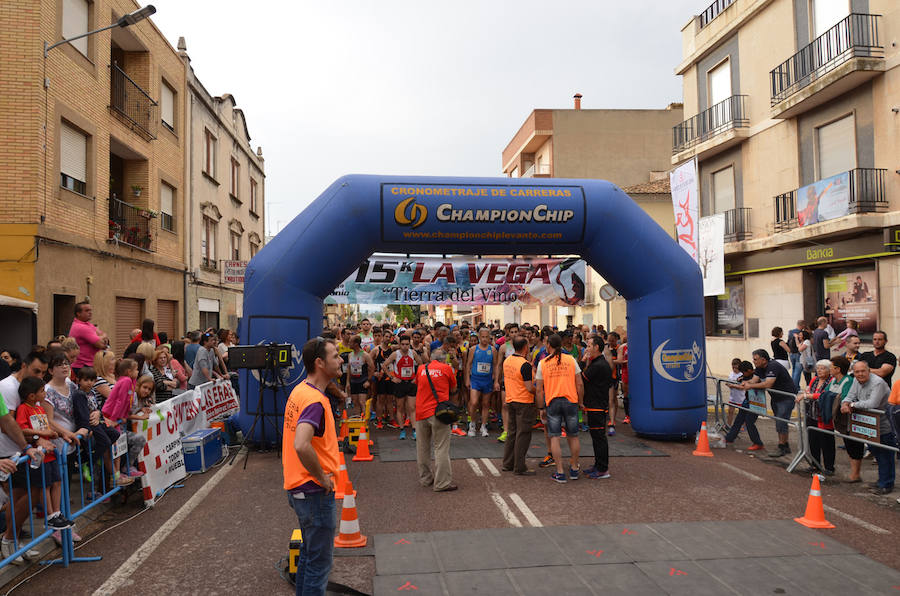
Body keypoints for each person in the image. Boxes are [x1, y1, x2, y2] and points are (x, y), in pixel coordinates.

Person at [283, 337, 343, 595]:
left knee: (309, 556)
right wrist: (323, 478)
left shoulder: (301, 390)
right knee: (319, 564)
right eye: (335, 355)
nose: (341, 360)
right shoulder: (315, 402)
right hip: (314, 491)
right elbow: (301, 444)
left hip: (299, 487)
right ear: (320, 363)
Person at [15, 377, 74, 537]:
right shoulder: (23, 409)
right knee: (44, 485)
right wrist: (42, 433)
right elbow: (22, 429)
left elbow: (46, 425)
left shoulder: (40, 409)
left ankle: (57, 512)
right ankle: (49, 515)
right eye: (42, 391)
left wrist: (52, 433)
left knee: (57, 481)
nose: (45, 393)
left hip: (50, 452)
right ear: (31, 395)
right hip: (37, 454)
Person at [72, 367, 132, 489]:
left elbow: (97, 407)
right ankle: (88, 462)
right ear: (79, 381)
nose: (89, 382)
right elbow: (82, 413)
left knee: (114, 435)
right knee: (105, 442)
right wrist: (87, 426)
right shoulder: (79, 394)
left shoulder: (93, 392)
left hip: (98, 420)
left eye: (92, 380)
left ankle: (96, 455)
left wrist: (99, 413)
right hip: (90, 423)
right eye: (86, 380)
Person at [536, 334, 584, 483]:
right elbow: (580, 384)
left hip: (553, 401)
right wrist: (581, 401)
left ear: (549, 346)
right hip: (571, 400)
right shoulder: (571, 360)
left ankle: (560, 472)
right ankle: (574, 468)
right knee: (573, 435)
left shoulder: (543, 363)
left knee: (555, 436)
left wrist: (540, 407)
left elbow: (539, 389)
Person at [841, 360, 895, 494]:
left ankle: (886, 484)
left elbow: (873, 403)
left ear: (869, 371)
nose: (860, 374)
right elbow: (850, 395)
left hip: (884, 426)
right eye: (857, 372)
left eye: (863, 371)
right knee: (876, 452)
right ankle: (881, 481)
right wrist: (845, 403)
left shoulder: (878, 382)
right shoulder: (855, 380)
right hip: (868, 426)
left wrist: (852, 405)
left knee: (885, 456)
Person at [414, 349, 458, 492]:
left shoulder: (421, 368)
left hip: (421, 412)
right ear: (443, 359)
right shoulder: (446, 368)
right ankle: (442, 482)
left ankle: (426, 479)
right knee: (441, 448)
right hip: (439, 413)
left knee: (422, 447)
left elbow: (417, 384)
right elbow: (453, 388)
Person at [740, 349, 796, 458]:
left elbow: (768, 384)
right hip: (776, 398)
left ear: (763, 359)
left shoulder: (773, 366)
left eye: (755, 359)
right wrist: (745, 383)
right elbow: (754, 380)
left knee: (781, 422)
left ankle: (782, 446)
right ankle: (785, 445)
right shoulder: (760, 368)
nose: (754, 361)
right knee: (780, 422)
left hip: (786, 398)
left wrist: (750, 386)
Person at [100, 359, 146, 478]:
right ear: (128, 371)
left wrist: (124, 415)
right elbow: (120, 401)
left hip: (117, 416)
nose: (138, 371)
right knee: (116, 446)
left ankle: (122, 471)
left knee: (119, 445)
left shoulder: (129, 381)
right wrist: (115, 418)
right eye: (136, 370)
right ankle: (117, 474)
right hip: (110, 415)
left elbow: (128, 400)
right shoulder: (125, 381)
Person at [501, 336, 536, 476]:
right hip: (524, 401)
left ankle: (507, 463)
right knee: (524, 433)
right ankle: (519, 466)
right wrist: (539, 390)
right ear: (525, 348)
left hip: (511, 399)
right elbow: (529, 387)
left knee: (512, 432)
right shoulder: (525, 364)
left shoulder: (507, 360)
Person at [580, 335, 611, 479]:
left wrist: (582, 361)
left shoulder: (599, 364)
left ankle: (603, 469)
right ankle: (598, 465)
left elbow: (581, 378)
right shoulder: (597, 362)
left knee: (599, 438)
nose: (586, 349)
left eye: (589, 346)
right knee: (596, 437)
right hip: (595, 405)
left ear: (596, 347)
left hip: (597, 406)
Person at [796, 360, 835, 475]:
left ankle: (829, 467)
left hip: (823, 416)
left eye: (822, 368)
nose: (819, 370)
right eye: (818, 368)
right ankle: (815, 465)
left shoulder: (831, 381)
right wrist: (806, 393)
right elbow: (808, 390)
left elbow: (823, 396)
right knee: (813, 441)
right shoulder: (815, 379)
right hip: (811, 414)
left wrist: (806, 395)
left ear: (829, 370)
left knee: (827, 443)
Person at [383, 334, 423, 441]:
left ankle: (414, 430)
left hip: (411, 383)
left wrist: (416, 378)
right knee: (400, 408)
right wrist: (392, 377)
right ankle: (402, 430)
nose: (405, 347)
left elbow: (421, 364)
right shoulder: (395, 354)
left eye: (407, 344)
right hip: (399, 383)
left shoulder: (413, 353)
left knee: (412, 407)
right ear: (399, 345)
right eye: (403, 344)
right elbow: (384, 365)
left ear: (409, 344)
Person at [464, 328, 500, 438]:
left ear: (489, 338)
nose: (484, 339)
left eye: (486, 337)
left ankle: (483, 426)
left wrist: (496, 380)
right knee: (474, 402)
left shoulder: (493, 350)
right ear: (479, 337)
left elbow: (495, 365)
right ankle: (472, 424)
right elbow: (468, 364)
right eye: (482, 337)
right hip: (475, 379)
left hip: (487, 380)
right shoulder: (473, 349)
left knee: (485, 404)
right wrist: (467, 379)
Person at [724, 361, 764, 450]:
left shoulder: (756, 376)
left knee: (749, 422)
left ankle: (758, 443)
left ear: (749, 370)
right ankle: (729, 438)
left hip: (756, 402)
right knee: (739, 420)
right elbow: (741, 380)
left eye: (744, 372)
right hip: (747, 401)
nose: (743, 374)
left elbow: (745, 386)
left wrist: (734, 386)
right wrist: (739, 380)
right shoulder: (745, 375)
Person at [68, 301, 109, 374]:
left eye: (90, 310)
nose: (90, 312)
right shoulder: (81, 327)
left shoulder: (88, 325)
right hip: (83, 367)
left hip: (90, 365)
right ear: (78, 313)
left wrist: (101, 338)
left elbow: (106, 340)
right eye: (87, 310)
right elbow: (101, 344)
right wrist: (103, 337)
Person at [342, 335, 374, 415]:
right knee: (355, 402)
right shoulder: (350, 355)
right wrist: (348, 382)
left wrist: (368, 380)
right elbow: (349, 369)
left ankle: (364, 422)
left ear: (356, 344)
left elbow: (372, 367)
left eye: (350, 342)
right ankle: (357, 419)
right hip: (353, 381)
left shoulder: (365, 355)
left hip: (362, 381)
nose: (348, 344)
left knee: (362, 401)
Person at [725, 358, 745, 427]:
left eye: (736, 368)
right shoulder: (731, 373)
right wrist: (728, 384)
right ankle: (728, 425)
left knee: (742, 413)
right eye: (733, 367)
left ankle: (743, 425)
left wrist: (733, 386)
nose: (734, 369)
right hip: (732, 397)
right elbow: (727, 382)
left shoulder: (742, 375)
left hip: (741, 398)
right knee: (730, 412)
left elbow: (743, 387)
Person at [787, 320, 805, 390]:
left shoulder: (790, 332)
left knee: (794, 370)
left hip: (791, 353)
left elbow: (788, 342)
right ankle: (795, 387)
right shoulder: (801, 333)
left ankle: (793, 385)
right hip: (798, 353)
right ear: (802, 325)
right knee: (797, 371)